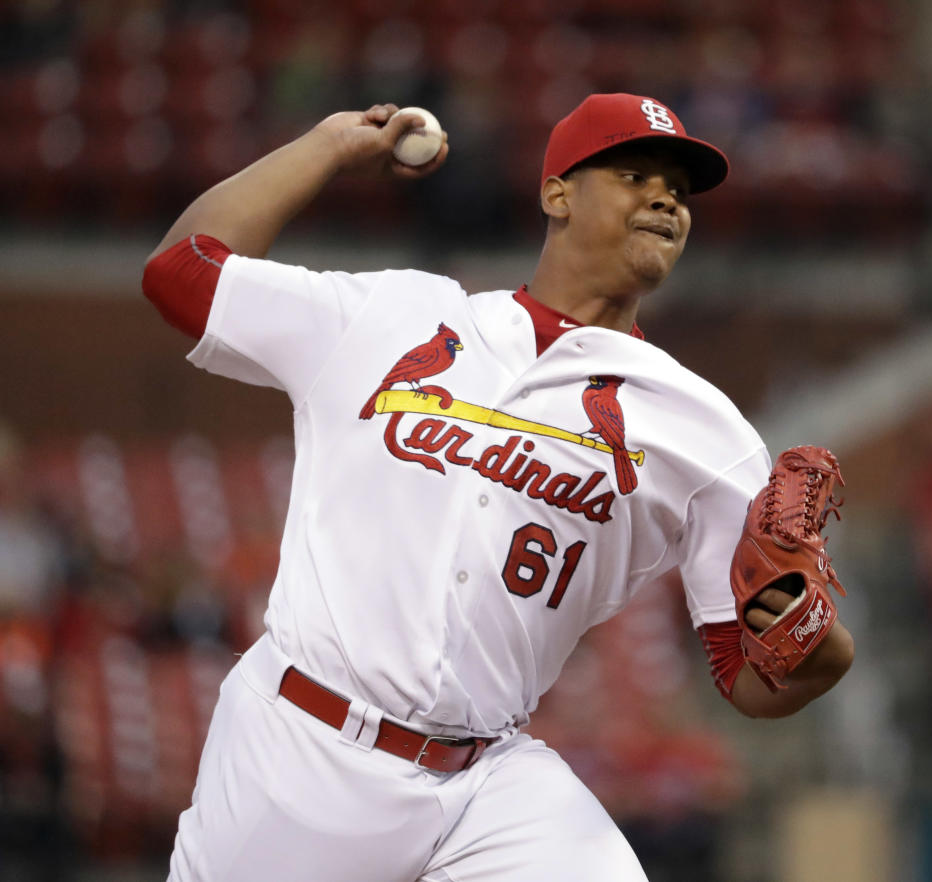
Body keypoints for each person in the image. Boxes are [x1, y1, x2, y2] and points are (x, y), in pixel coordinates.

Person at [142, 93, 855, 882]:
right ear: (557, 193)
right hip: (303, 748)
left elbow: (749, 678)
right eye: (633, 174)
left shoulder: (704, 431)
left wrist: (820, 652)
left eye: (678, 192)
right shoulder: (398, 313)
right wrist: (328, 146)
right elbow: (181, 273)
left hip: (487, 779)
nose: (664, 199)